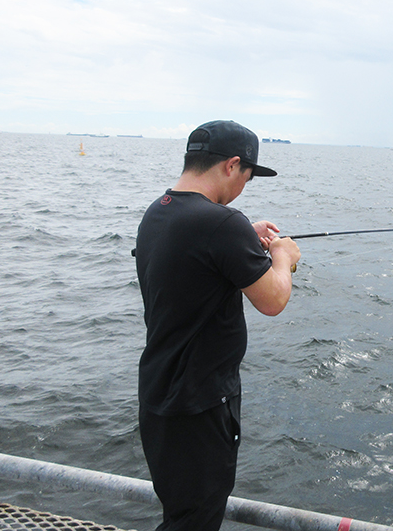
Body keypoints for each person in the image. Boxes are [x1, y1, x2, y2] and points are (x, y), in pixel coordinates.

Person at [134, 120, 301, 531]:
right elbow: (274, 299)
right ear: (231, 165)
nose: (245, 185)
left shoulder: (159, 212)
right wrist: (283, 256)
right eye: (247, 175)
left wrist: (243, 233)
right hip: (200, 406)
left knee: (180, 515)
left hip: (159, 398)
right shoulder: (221, 225)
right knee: (196, 522)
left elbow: (203, 245)